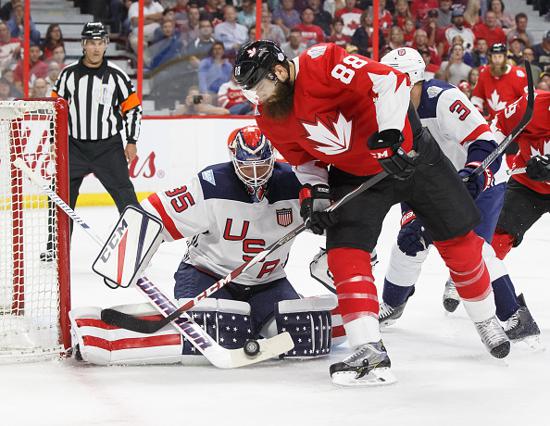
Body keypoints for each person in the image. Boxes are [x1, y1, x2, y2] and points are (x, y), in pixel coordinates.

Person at [233, 40, 510, 386]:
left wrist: (391, 135)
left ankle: (486, 319)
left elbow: (389, 81)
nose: (259, 96)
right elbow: (304, 160)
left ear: (278, 70)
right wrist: (316, 196)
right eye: (252, 91)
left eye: (260, 86)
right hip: (353, 176)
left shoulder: (320, 63)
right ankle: (368, 347)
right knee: (345, 253)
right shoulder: (269, 115)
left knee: (459, 242)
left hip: (412, 156)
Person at [70, 126, 336, 365]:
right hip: (207, 275)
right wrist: (126, 254)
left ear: (272, 159)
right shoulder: (212, 185)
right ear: (234, 160)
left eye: (261, 166)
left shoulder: (295, 182)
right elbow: (155, 213)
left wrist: (331, 234)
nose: (255, 175)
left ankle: (265, 317)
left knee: (302, 335)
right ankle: (97, 332)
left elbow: (341, 212)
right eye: (246, 166)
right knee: (220, 331)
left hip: (269, 282)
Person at [370, 48, 539, 344]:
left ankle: (516, 317)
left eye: (395, 88)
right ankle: (393, 304)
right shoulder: (386, 107)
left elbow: (485, 141)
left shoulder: (444, 99)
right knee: (411, 239)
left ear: (413, 81)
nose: (388, 96)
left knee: (476, 250)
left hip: (478, 180)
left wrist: (473, 172)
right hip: (424, 181)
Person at [42, 22, 141, 261]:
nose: (96, 48)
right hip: (74, 147)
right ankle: (56, 246)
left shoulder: (117, 75)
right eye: (91, 43)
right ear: (83, 45)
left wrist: (131, 140)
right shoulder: (68, 75)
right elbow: (55, 109)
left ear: (106, 44)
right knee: (60, 197)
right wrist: (55, 141)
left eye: (100, 43)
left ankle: (139, 244)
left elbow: (133, 109)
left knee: (126, 197)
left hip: (108, 146)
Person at [486, 90, 550, 343]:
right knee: (495, 237)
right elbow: (497, 126)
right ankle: (481, 277)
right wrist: (498, 154)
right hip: (527, 186)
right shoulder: (531, 105)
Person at [471, 43, 528, 120]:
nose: (497, 60)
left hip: (514, 121)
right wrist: (478, 114)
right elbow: (477, 97)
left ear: (505, 58)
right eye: (494, 57)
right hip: (492, 122)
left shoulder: (519, 74)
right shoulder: (484, 73)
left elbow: (528, 99)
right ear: (490, 58)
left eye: (500, 56)